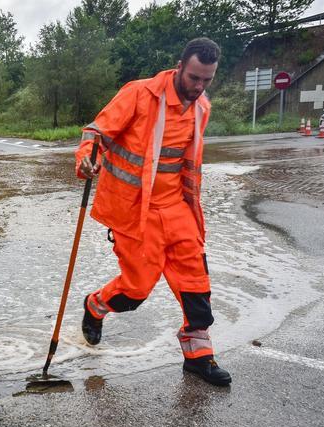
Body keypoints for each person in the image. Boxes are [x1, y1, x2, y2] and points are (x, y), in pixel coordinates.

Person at [74, 38, 231, 386]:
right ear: (179, 66)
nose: (199, 87)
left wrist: (186, 207)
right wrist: (86, 158)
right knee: (135, 291)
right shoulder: (139, 94)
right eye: (193, 77)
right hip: (135, 213)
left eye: (207, 80)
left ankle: (199, 358)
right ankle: (95, 306)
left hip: (178, 209)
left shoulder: (201, 107)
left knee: (196, 287)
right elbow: (96, 133)